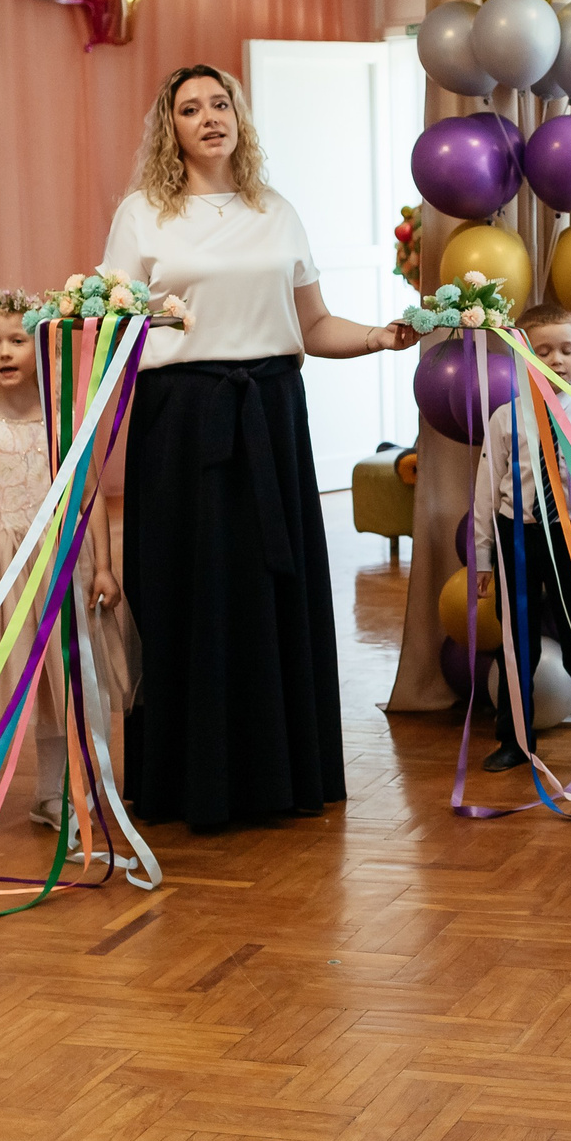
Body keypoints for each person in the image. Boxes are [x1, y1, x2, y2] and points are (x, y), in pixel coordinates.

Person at [99, 64, 414, 830]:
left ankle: (282, 773)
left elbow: (312, 326)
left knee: (270, 588)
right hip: (181, 421)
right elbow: (114, 328)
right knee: (188, 591)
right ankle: (188, 779)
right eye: (190, 108)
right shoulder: (142, 214)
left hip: (270, 414)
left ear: (239, 115)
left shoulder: (275, 210)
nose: (209, 116)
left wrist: (376, 337)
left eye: (220, 103)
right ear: (168, 128)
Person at [0, 289, 127, 839]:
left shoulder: (67, 421)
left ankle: (51, 797)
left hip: (60, 569)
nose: (5, 352)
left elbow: (89, 495)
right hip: (0, 571)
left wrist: (102, 565)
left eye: (17, 340)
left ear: (44, 349)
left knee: (60, 689)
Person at [472, 303, 571, 776]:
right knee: (517, 642)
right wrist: (482, 557)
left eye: (565, 350)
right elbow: (485, 487)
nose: (555, 359)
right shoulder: (504, 419)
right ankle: (516, 738)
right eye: (543, 351)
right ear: (524, 358)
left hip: (570, 535)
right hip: (515, 534)